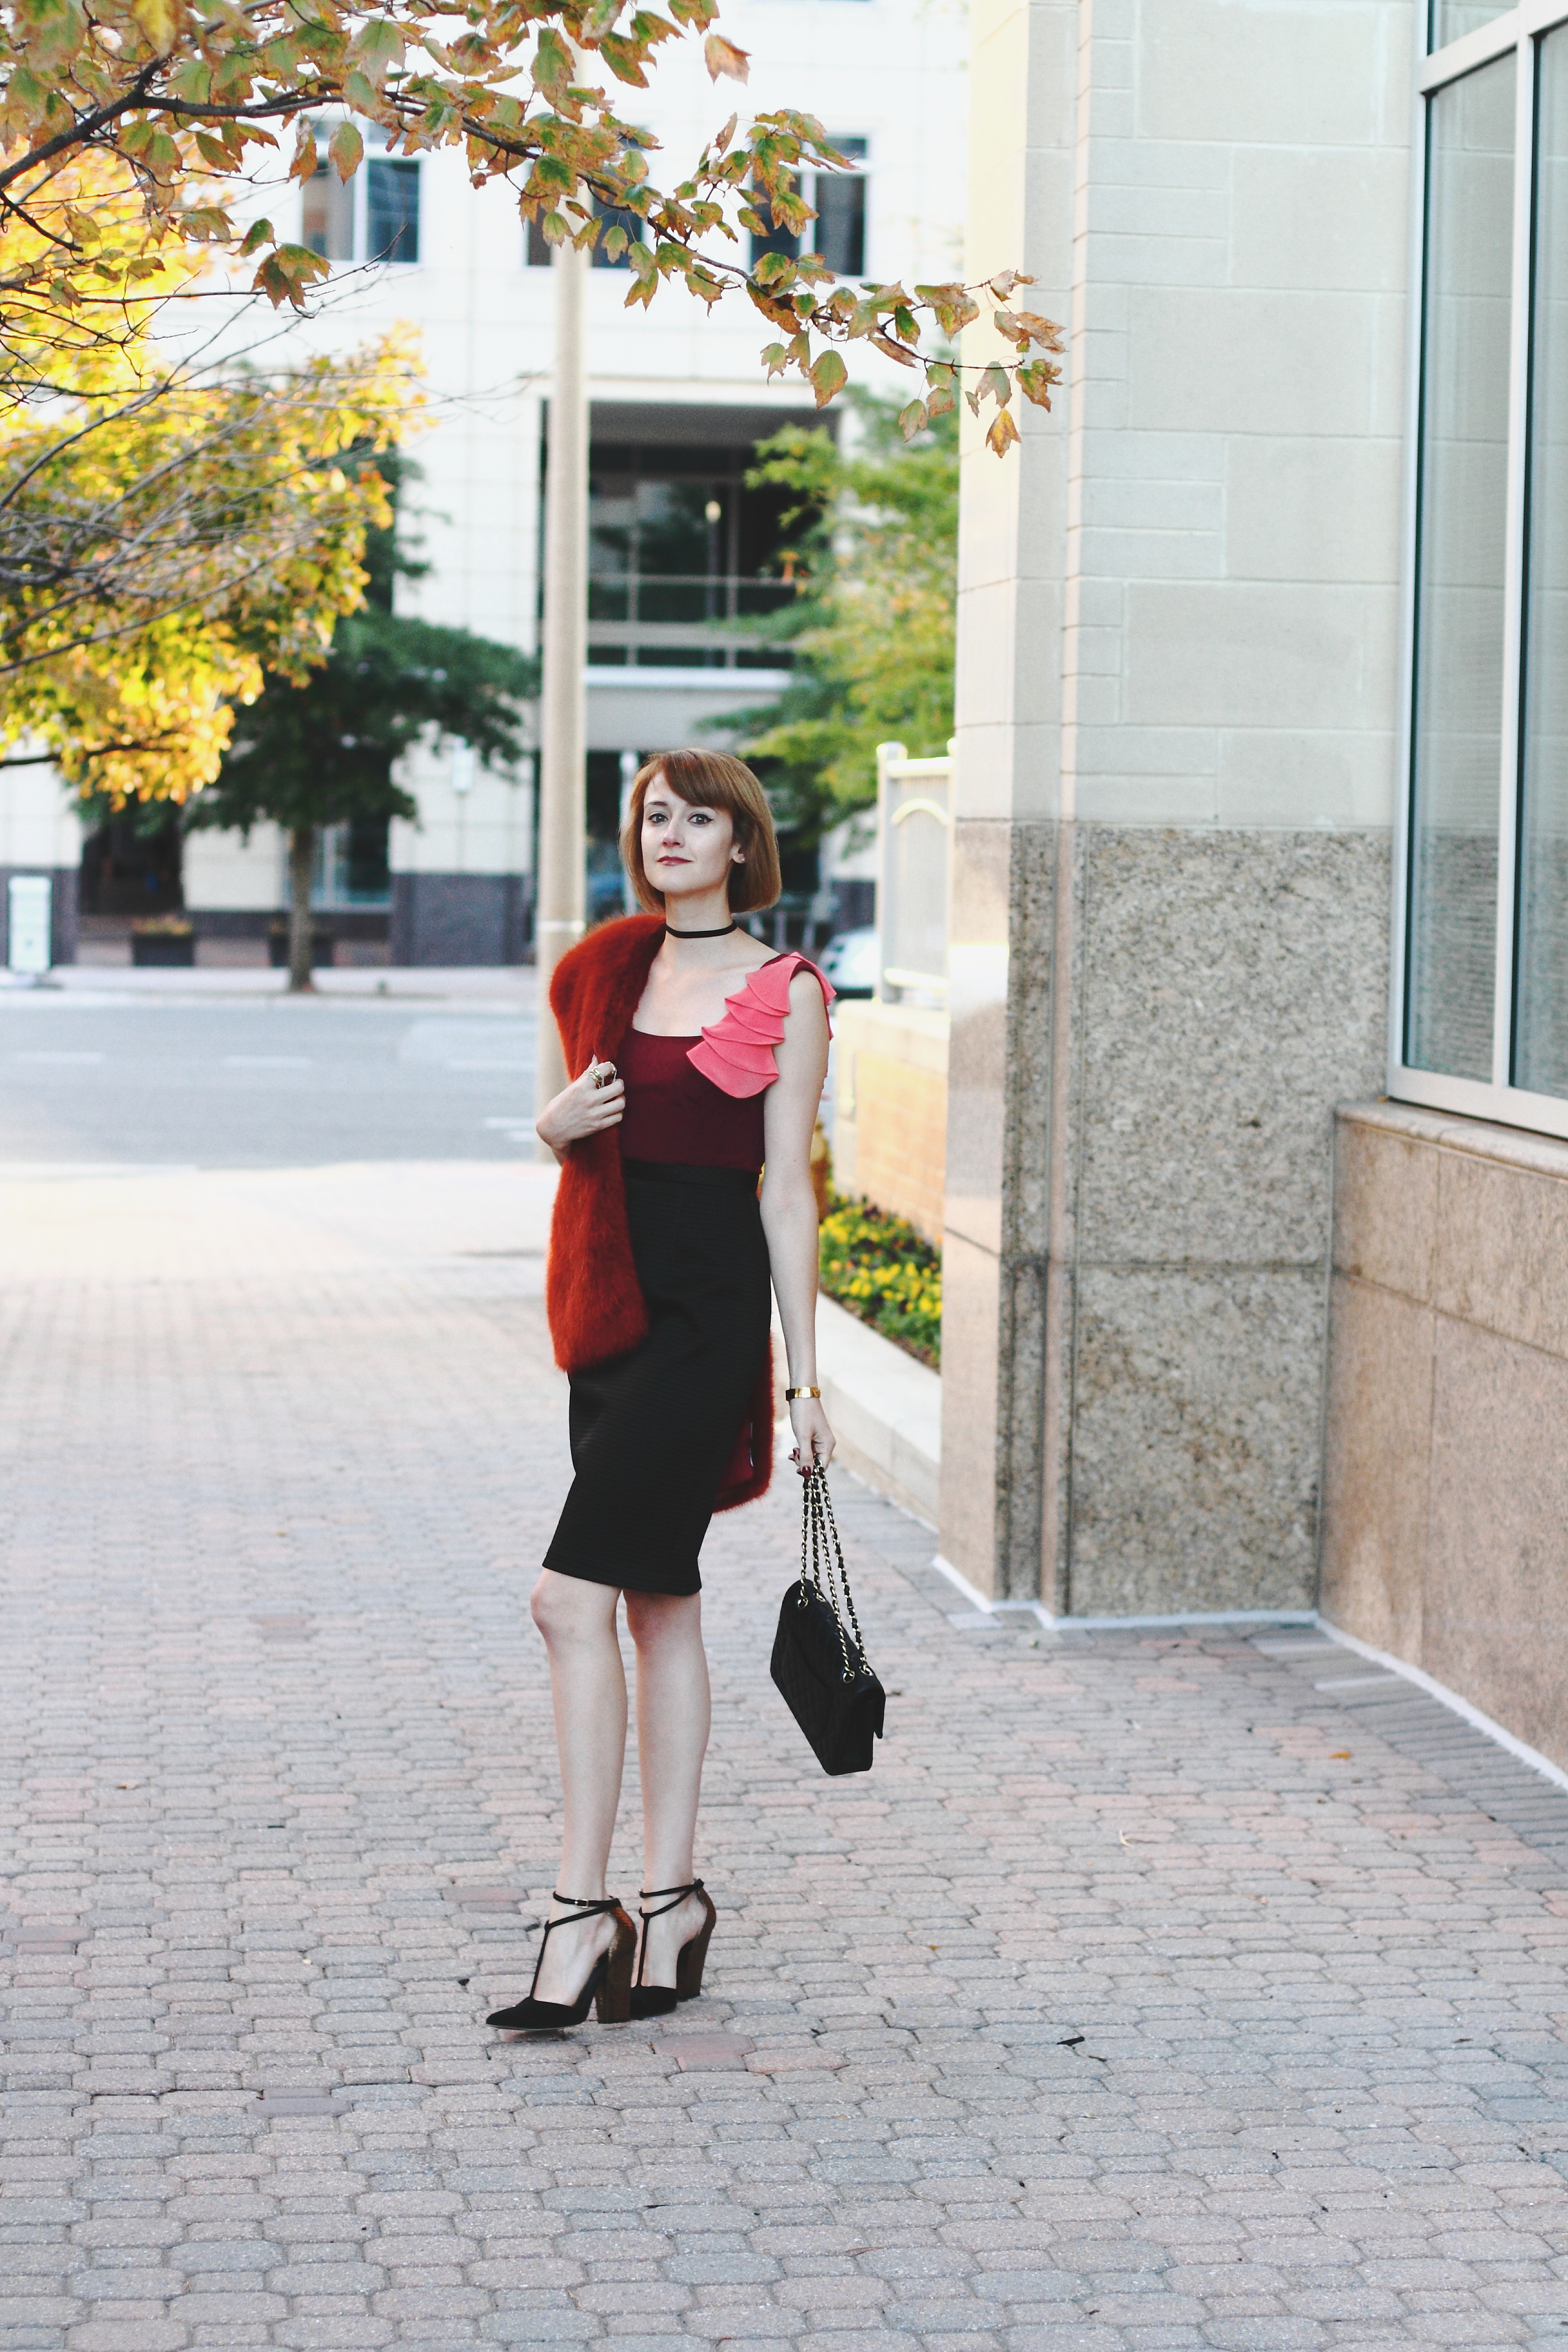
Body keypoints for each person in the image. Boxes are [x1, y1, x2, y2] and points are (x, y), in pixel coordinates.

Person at [486, 748, 837, 2033]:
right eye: (654, 816)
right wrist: (551, 1125)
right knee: (656, 1603)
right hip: (611, 1316)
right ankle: (673, 1899)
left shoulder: (783, 987)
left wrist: (802, 1380)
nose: (671, 834)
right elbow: (569, 1126)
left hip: (705, 1321)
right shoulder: (606, 967)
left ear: (743, 843)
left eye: (698, 818)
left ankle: (583, 1910)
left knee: (563, 1598)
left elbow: (789, 1190)